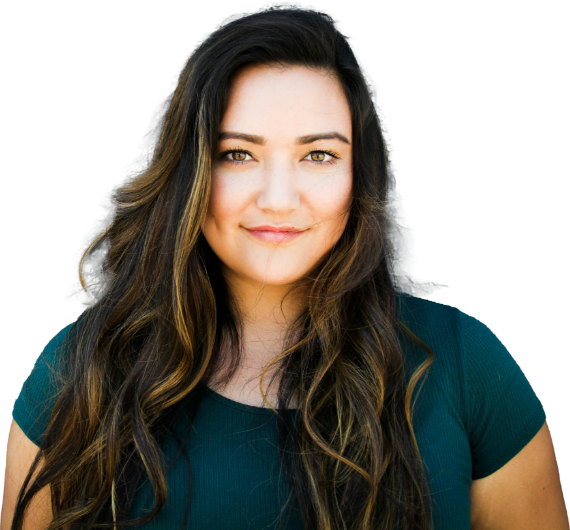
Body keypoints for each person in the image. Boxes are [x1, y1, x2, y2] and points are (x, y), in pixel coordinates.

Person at [3, 3, 567, 530]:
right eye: (237, 154)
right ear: (188, 173)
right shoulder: (78, 371)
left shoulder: (468, 364)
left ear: (359, 178)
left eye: (318, 154)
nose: (277, 198)